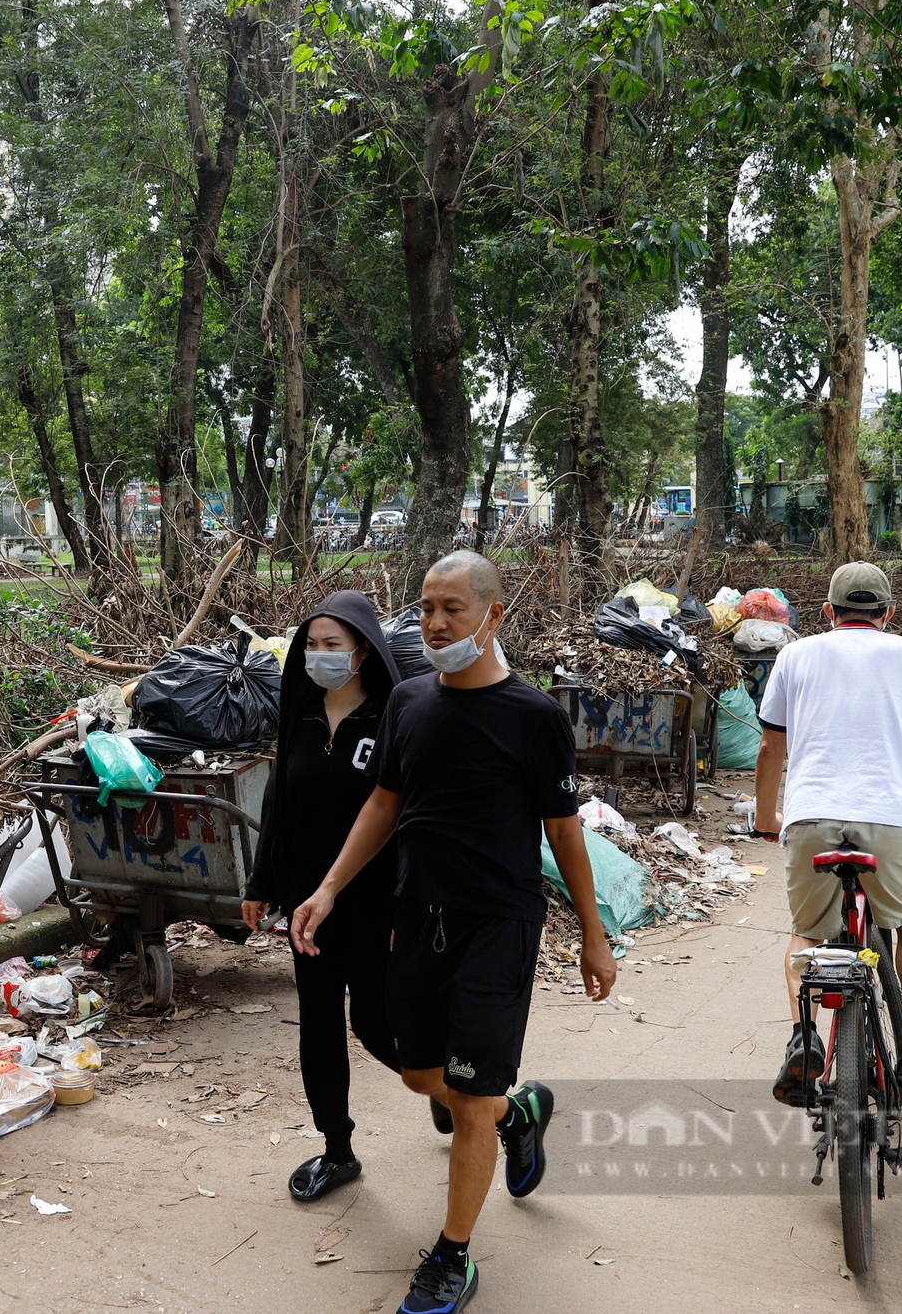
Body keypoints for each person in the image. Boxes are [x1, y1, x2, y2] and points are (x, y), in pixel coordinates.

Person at [289, 550, 616, 1314]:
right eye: (427, 608)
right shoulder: (410, 704)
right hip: (418, 915)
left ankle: (453, 1255)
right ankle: (520, 1108)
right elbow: (383, 805)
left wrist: (593, 937)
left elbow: (566, 834)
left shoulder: (534, 716)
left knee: (469, 1100)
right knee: (417, 1075)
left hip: (498, 924)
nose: (435, 623)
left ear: (494, 615)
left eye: (452, 609)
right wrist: (329, 889)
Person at [753, 561, 902, 1107]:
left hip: (812, 818)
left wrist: (766, 818)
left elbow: (771, 747)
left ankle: (805, 1037)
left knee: (805, 931)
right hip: (889, 819)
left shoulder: (794, 655)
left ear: (827, 612)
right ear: (888, 613)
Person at [241, 591, 403, 1201]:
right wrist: (262, 883)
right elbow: (278, 802)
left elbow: (404, 815)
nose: (319, 656)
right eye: (311, 645)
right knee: (319, 1024)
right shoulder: (302, 717)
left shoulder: (392, 718)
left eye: (332, 645)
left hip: (376, 902)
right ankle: (336, 1148)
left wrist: (406, 904)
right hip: (308, 905)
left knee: (378, 1023)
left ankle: (457, 1096)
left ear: (363, 650)